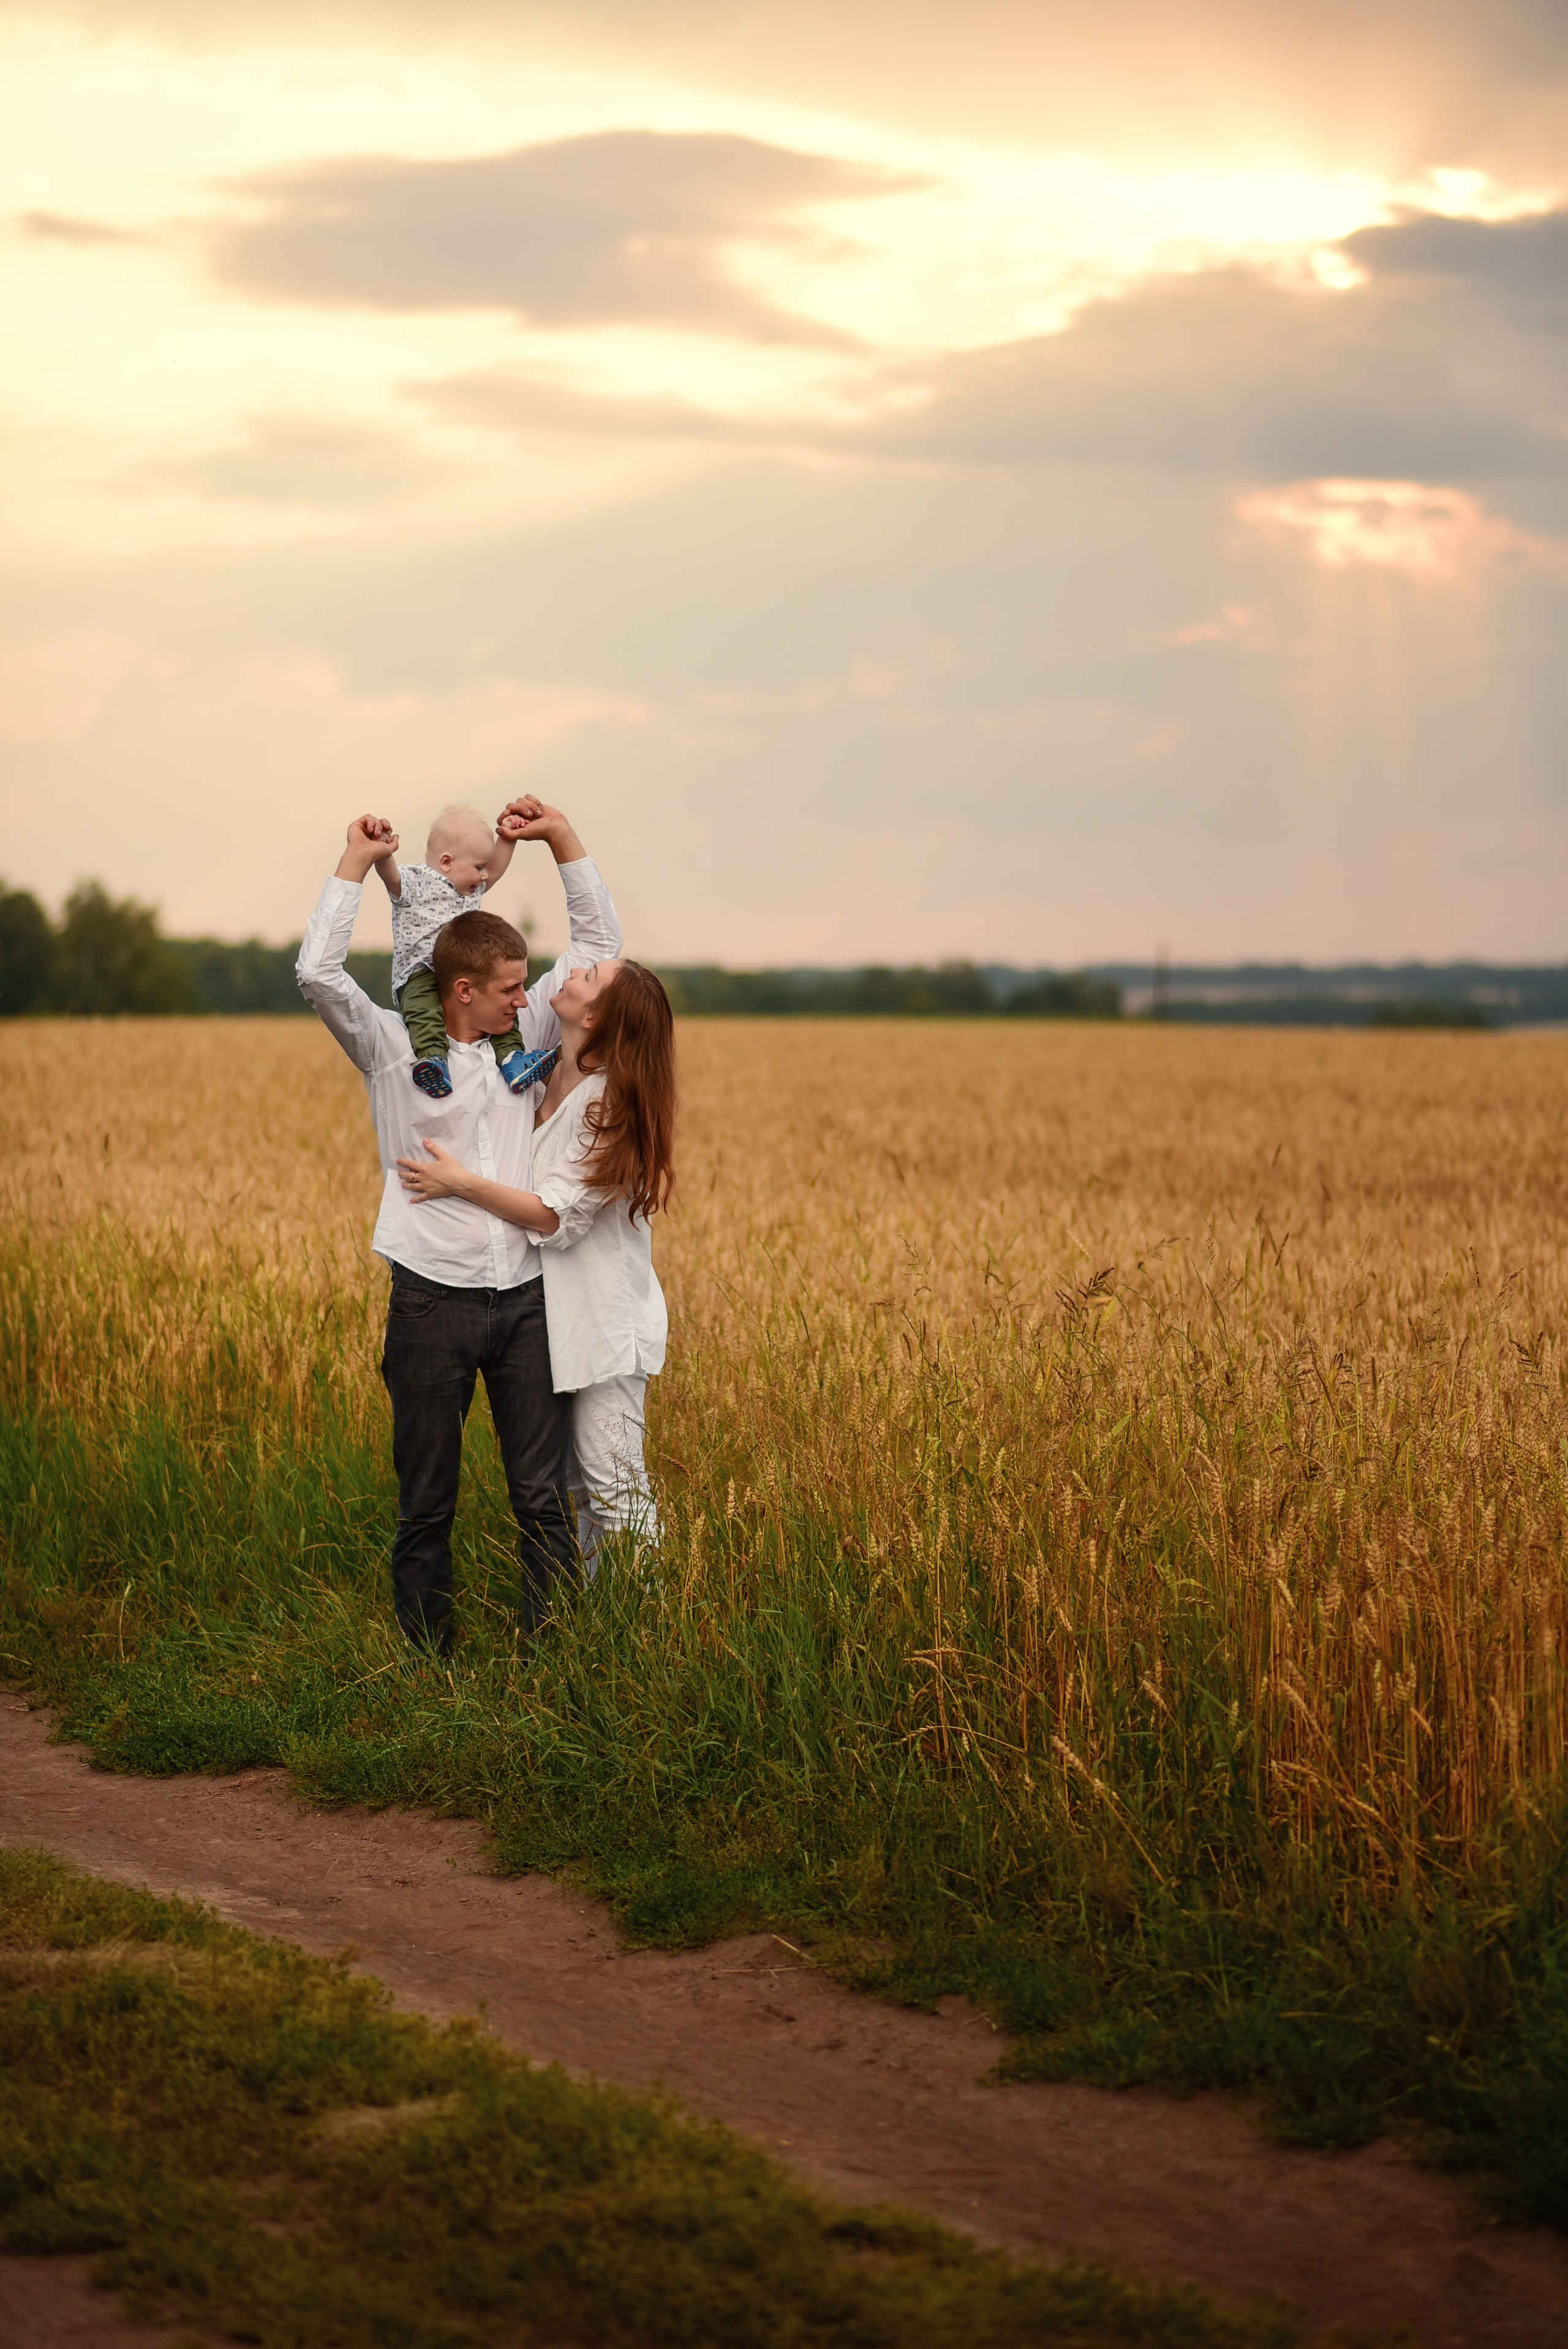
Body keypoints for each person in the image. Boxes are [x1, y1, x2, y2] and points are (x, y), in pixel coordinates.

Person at [295, 796, 622, 1657]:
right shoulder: (392, 1046)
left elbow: (599, 948)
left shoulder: (527, 1034)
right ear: (463, 989)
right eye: (511, 988)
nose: (527, 998)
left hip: (526, 1299)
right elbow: (319, 976)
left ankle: (553, 1654)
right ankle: (426, 1663)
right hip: (429, 1298)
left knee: (541, 1496)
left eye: (527, 986)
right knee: (427, 1500)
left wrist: (559, 839)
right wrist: (355, 864)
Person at [396, 959, 675, 1574]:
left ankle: (645, 1617)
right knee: (577, 1485)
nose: (571, 974)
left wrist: (459, 1183)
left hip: (605, 1321)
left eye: (589, 976)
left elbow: (553, 1215)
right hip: (554, 1320)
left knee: (615, 1485)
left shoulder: (609, 1103)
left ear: (594, 1016)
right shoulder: (540, 1072)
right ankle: (600, 1612)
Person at [366, 803, 551, 1100]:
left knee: (501, 1010)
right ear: (447, 861)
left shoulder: (470, 890)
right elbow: (392, 878)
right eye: (478, 868)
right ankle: (433, 1059)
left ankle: (513, 1060)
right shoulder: (417, 883)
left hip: (465, 973)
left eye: (484, 868)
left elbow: (495, 870)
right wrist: (383, 852)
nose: (484, 876)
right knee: (424, 1011)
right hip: (421, 971)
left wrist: (508, 838)